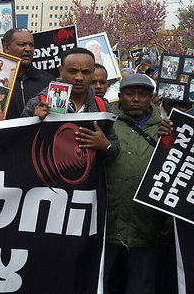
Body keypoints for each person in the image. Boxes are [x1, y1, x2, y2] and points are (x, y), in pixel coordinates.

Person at [103, 74, 169, 294]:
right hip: (107, 224)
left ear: (151, 98)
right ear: (120, 97)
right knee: (103, 283)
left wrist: (169, 215)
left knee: (141, 286)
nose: (136, 99)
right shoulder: (105, 122)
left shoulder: (165, 130)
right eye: (130, 94)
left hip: (145, 225)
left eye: (142, 94)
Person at [22, 47, 120, 161]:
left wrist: (105, 145)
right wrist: (34, 123)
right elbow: (20, 146)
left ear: (93, 72)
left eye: (85, 72)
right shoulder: (39, 103)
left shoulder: (102, 107)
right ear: (61, 71)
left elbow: (115, 149)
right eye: (73, 71)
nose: (79, 77)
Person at [3, 28, 55, 119]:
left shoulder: (48, 82)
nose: (28, 49)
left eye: (31, 45)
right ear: (6, 48)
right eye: (22, 44)